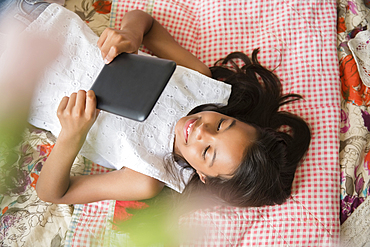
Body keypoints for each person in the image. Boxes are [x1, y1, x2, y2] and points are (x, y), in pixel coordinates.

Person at [2, 1, 311, 207]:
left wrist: (71, 136)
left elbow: (53, 193)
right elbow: (144, 21)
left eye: (207, 152)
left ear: (203, 176)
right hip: (39, 16)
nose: (203, 130)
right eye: (222, 124)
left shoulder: (147, 177)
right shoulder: (201, 84)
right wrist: (130, 35)